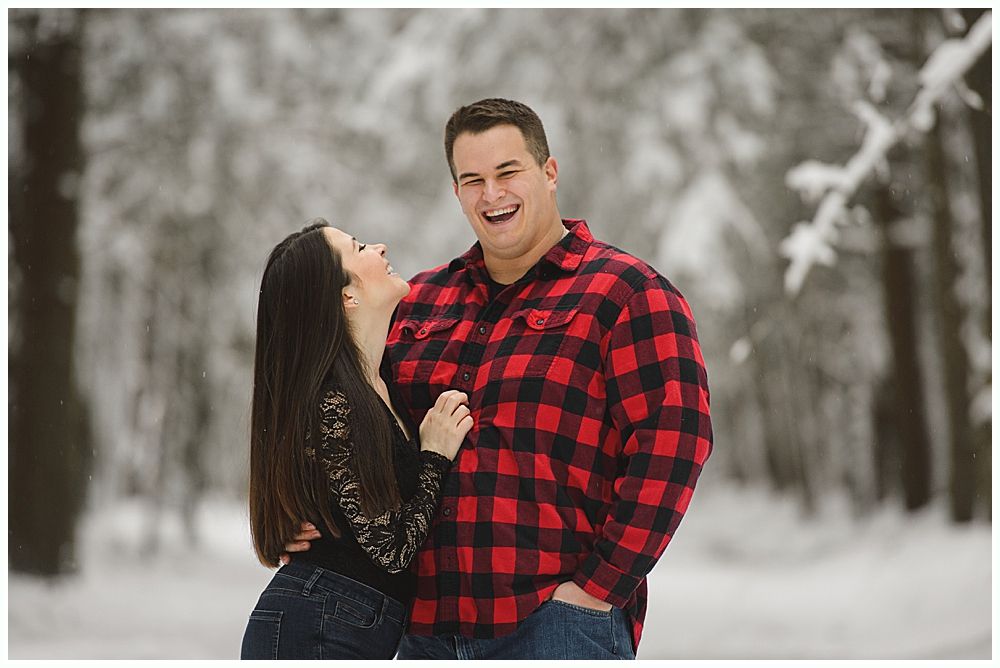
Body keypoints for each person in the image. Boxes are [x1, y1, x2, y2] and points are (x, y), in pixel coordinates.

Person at [285, 99, 713, 660]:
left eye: (508, 172)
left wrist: (595, 590)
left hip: (553, 625)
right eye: (473, 179)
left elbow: (674, 446)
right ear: (456, 192)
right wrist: (301, 507)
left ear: (549, 173)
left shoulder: (626, 293)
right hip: (423, 630)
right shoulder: (417, 303)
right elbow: (353, 420)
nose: (492, 194)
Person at [240, 219, 474, 660]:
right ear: (346, 296)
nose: (381, 247)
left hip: (341, 621)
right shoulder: (333, 401)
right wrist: (435, 456)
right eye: (360, 247)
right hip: (321, 626)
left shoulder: (380, 385)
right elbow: (393, 551)